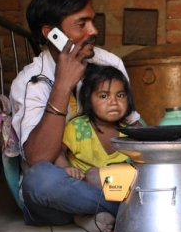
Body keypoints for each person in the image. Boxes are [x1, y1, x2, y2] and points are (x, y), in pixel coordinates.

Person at [10, 0, 141, 232]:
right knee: (40, 181)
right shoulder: (30, 82)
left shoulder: (109, 63)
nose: (94, 30)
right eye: (82, 24)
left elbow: (132, 126)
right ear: (51, 33)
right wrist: (62, 85)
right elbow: (38, 159)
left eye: (92, 21)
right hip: (61, 192)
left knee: (173, 160)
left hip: (105, 177)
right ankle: (137, 207)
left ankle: (95, 213)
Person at [54, 64, 134, 194]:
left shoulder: (129, 132)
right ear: (88, 99)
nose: (114, 102)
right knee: (93, 175)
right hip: (85, 193)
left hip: (120, 193)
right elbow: (57, 152)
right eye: (104, 96)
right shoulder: (77, 128)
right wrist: (66, 167)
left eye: (120, 95)